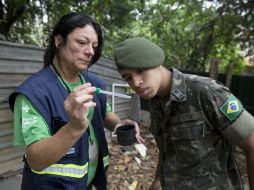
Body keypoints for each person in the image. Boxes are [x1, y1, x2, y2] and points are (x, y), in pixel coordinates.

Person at [8, 12, 143, 190]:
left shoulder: (94, 83)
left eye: (94, 46)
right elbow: (36, 160)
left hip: (85, 182)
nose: (90, 51)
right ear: (59, 41)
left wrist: (119, 124)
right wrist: (74, 127)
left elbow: (103, 113)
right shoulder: (34, 93)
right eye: (81, 42)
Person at [113, 37, 254, 190]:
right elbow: (167, 149)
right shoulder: (155, 101)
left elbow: (252, 144)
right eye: (128, 78)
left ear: (157, 62)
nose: (135, 83)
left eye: (140, 70)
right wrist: (158, 180)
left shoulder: (206, 92)